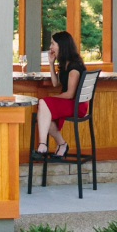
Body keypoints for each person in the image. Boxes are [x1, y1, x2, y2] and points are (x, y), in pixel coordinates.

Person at [34, 31, 88, 161]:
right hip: (69, 102)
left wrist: (49, 101)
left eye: (53, 44)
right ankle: (61, 144)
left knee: (43, 104)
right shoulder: (66, 63)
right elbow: (55, 83)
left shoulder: (74, 67)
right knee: (45, 113)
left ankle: (42, 145)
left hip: (77, 105)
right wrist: (51, 64)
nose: (50, 47)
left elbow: (70, 94)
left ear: (62, 46)